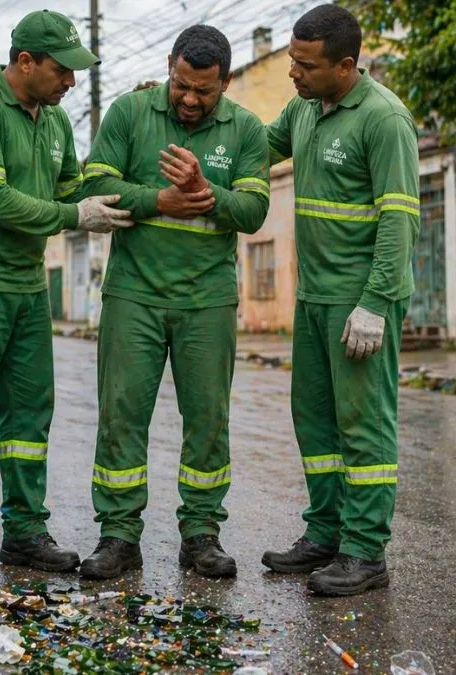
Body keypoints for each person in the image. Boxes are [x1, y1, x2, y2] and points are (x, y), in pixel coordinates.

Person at [0, 9, 133, 573]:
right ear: (25, 62)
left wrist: (137, 125)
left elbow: (73, 189)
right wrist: (74, 215)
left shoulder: (55, 122)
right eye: (62, 70)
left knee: (29, 414)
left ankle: (24, 532)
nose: (71, 81)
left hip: (25, 282)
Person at [75, 25, 271, 580]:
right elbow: (95, 186)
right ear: (170, 65)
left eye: (203, 90)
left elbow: (254, 212)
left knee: (208, 420)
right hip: (133, 294)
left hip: (207, 300)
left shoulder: (246, 130)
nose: (188, 98)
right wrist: (158, 199)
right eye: (181, 84)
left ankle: (202, 535)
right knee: (121, 415)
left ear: (224, 82)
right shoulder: (129, 113)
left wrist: (205, 192)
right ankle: (118, 536)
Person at [259, 4, 420, 596]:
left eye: (305, 65)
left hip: (361, 302)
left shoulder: (384, 119)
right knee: (316, 421)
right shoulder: (304, 109)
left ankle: (365, 550)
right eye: (292, 61)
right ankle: (326, 532)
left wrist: (375, 302)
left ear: (345, 66)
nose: (293, 74)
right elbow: (257, 146)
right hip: (314, 297)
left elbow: (400, 219)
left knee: (363, 425)